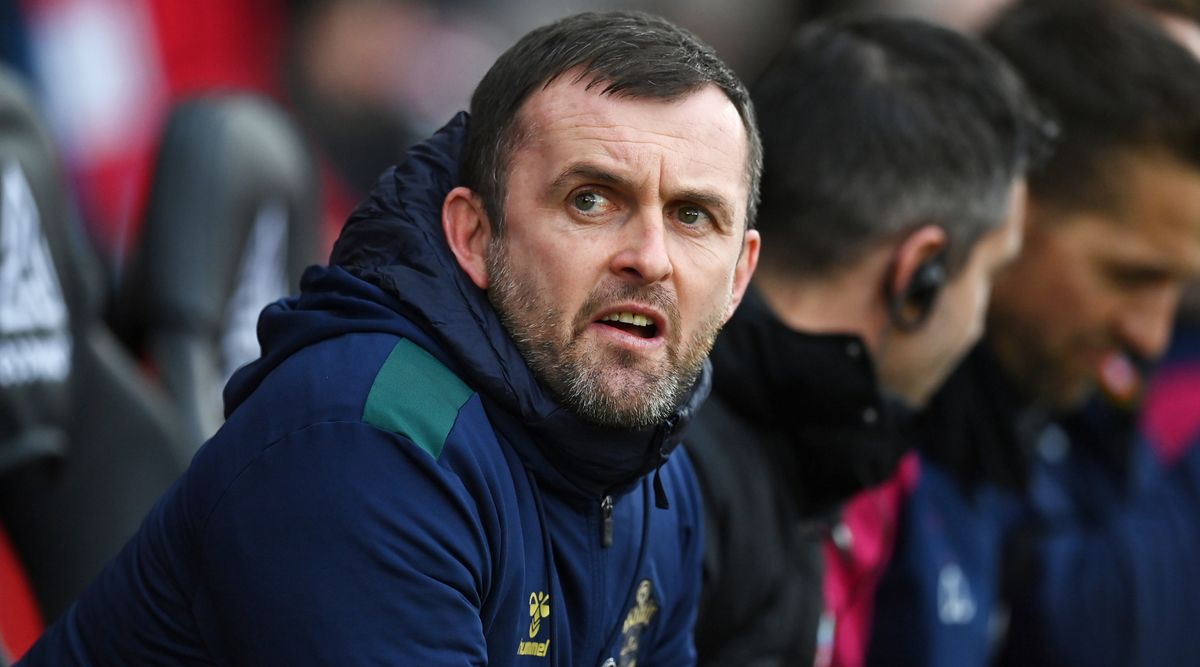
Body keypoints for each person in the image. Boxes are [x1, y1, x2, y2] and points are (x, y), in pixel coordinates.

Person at [18, 10, 762, 665]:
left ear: (738, 275)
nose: (651, 256)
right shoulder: (368, 440)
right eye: (591, 200)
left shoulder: (658, 474)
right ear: (473, 234)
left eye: (694, 216)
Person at [685, 15, 1045, 667]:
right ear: (919, 276)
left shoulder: (789, 442)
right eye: (990, 274)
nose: (981, 319)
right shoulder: (685, 473)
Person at [867, 1, 1200, 666]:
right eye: (1130, 275)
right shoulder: (857, 441)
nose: (1151, 336)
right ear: (1007, 211)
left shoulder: (1063, 404)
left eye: (1178, 290)